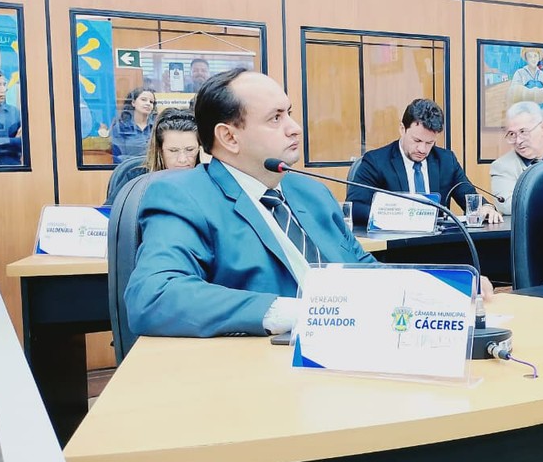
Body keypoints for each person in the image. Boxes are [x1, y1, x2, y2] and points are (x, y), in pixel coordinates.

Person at [125, 69, 491, 338]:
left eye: (289, 112)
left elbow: (364, 269)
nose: (295, 127)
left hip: (356, 353)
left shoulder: (310, 192)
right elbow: (153, 296)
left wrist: (443, 289)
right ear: (229, 137)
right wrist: (297, 313)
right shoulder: (184, 195)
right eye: (276, 118)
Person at [347, 98, 503, 226]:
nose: (422, 149)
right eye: (417, 140)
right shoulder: (376, 161)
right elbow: (355, 207)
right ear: (402, 129)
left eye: (429, 143)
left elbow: (469, 196)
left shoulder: (446, 161)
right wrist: (396, 215)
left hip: (436, 244)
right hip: (396, 245)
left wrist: (486, 207)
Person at [105, 108, 201, 205]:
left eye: (190, 150)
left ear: (200, 148)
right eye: (173, 150)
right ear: (159, 150)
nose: (182, 159)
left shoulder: (207, 182)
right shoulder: (136, 180)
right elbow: (106, 213)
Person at [110, 87, 157, 164]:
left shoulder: (157, 127)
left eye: (151, 102)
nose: (148, 103)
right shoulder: (121, 127)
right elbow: (117, 157)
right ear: (133, 102)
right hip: (129, 169)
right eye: (143, 100)